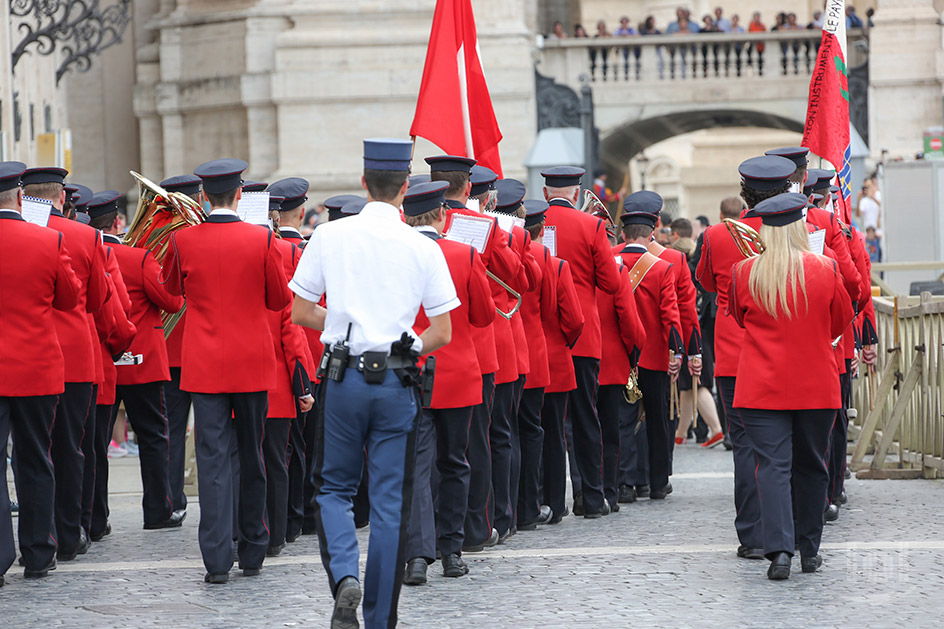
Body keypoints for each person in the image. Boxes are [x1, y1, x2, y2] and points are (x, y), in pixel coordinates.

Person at [290, 138, 458, 629]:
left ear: (364, 184)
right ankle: (380, 616)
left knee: (334, 490)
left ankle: (344, 575)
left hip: (342, 376)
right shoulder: (421, 245)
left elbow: (300, 311)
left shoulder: (328, 236)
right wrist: (406, 346)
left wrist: (339, 323)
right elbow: (443, 331)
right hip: (396, 379)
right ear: (406, 188)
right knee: (389, 502)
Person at [162, 158, 293, 584]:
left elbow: (170, 293)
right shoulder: (262, 239)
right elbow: (278, 299)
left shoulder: (183, 241)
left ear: (203, 197)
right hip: (252, 362)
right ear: (239, 195)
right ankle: (253, 547)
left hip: (203, 364)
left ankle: (216, 560)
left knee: (213, 459)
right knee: (252, 454)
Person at [731, 192, 853, 580]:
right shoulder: (827, 268)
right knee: (812, 466)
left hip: (761, 385)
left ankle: (780, 550)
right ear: (802, 226)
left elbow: (739, 318)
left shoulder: (744, 271)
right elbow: (840, 321)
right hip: (816, 383)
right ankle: (810, 550)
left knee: (771, 466)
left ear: (765, 230)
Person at [696, 155, 795, 559]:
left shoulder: (719, 236)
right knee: (787, 447)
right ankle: (793, 530)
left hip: (736, 355)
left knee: (746, 447)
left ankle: (753, 535)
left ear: (744, 194)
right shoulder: (795, 233)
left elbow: (704, 280)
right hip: (787, 352)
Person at [401, 180, 494, 585]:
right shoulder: (465, 254)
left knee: (417, 467)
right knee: (456, 463)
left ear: (406, 216)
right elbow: (483, 315)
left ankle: (418, 557)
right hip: (457, 371)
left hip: (409, 371)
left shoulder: (395, 254)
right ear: (443, 214)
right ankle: (452, 550)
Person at [0, 161, 80, 583]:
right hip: (35, 366)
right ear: (18, 196)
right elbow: (70, 300)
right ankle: (37, 553)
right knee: (36, 460)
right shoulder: (49, 239)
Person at [24, 167, 109, 562]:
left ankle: (40, 536)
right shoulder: (87, 235)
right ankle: (70, 531)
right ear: (62, 197)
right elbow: (94, 300)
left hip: (25, 356)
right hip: (74, 353)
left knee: (33, 450)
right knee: (73, 447)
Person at [88, 191, 186, 532]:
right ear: (117, 221)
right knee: (153, 437)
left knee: (96, 441)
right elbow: (172, 302)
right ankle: (158, 511)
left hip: (103, 361)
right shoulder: (139, 258)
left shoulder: (89, 253)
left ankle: (96, 519)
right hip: (143, 361)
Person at [542, 166, 621, 517]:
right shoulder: (592, 226)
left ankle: (548, 500)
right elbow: (612, 284)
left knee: (546, 420)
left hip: (546, 334)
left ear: (545, 193)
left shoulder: (533, 222)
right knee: (586, 417)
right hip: (584, 336)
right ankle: (591, 497)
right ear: (576, 193)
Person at [615, 194, 683, 501]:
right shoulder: (661, 267)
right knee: (656, 421)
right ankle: (656, 482)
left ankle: (625, 483)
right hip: (653, 357)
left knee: (623, 418)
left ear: (624, 234)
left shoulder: (609, 258)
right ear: (651, 233)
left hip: (620, 355)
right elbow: (671, 315)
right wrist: (676, 352)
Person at [158, 174, 203, 519]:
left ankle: (171, 499)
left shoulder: (157, 238)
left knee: (171, 430)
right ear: (199, 197)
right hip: (200, 348)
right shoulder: (197, 237)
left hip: (171, 346)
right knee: (210, 429)